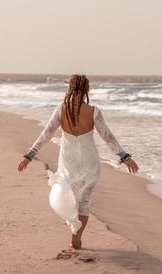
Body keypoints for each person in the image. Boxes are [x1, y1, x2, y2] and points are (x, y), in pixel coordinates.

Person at [18, 74, 139, 249]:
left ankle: (73, 225)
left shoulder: (61, 109)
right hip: (89, 161)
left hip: (69, 160)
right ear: (87, 90)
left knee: (66, 193)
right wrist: (125, 157)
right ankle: (76, 235)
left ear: (70, 88)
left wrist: (30, 155)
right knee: (84, 200)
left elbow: (47, 133)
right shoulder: (93, 111)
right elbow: (108, 137)